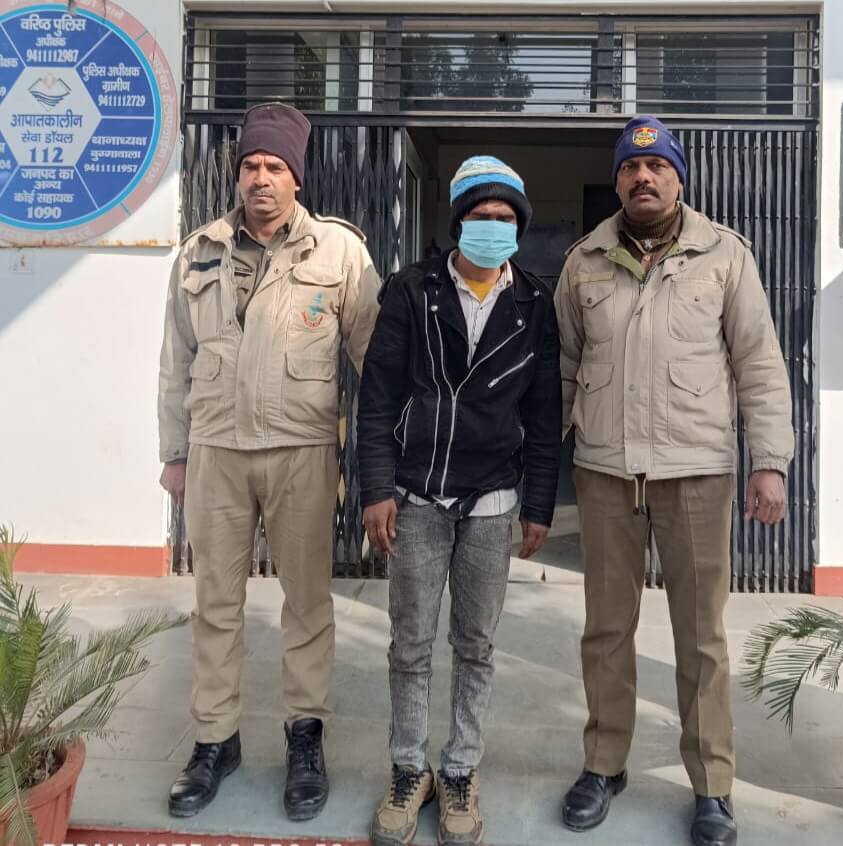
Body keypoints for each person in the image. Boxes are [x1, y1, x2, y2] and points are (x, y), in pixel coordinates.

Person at [554, 116, 795, 846]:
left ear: (679, 178)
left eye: (657, 166)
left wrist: (769, 461)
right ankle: (604, 764)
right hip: (605, 472)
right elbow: (563, 367)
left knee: (701, 637)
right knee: (605, 630)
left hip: (696, 472)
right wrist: (534, 466)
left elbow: (758, 362)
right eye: (631, 168)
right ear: (617, 181)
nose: (643, 178)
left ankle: (712, 784)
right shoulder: (584, 261)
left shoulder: (724, 255)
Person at [158, 101, 381, 821]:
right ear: (238, 173)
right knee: (214, 604)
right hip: (216, 451)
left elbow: (375, 363)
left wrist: (384, 465)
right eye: (251, 165)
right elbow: (175, 361)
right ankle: (214, 739)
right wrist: (174, 454)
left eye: (275, 166)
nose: (261, 177)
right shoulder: (197, 252)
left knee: (308, 605)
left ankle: (304, 736)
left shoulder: (338, 252)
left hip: (301, 453)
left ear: (296, 177)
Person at [357, 156, 561, 846]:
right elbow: (377, 396)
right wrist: (376, 488)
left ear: (519, 227)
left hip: (492, 500)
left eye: (505, 218)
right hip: (416, 496)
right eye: (480, 215)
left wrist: (538, 503)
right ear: (458, 221)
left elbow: (543, 411)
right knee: (410, 643)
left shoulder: (533, 303)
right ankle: (408, 767)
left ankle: (461, 769)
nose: (493, 227)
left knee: (475, 645)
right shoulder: (412, 291)